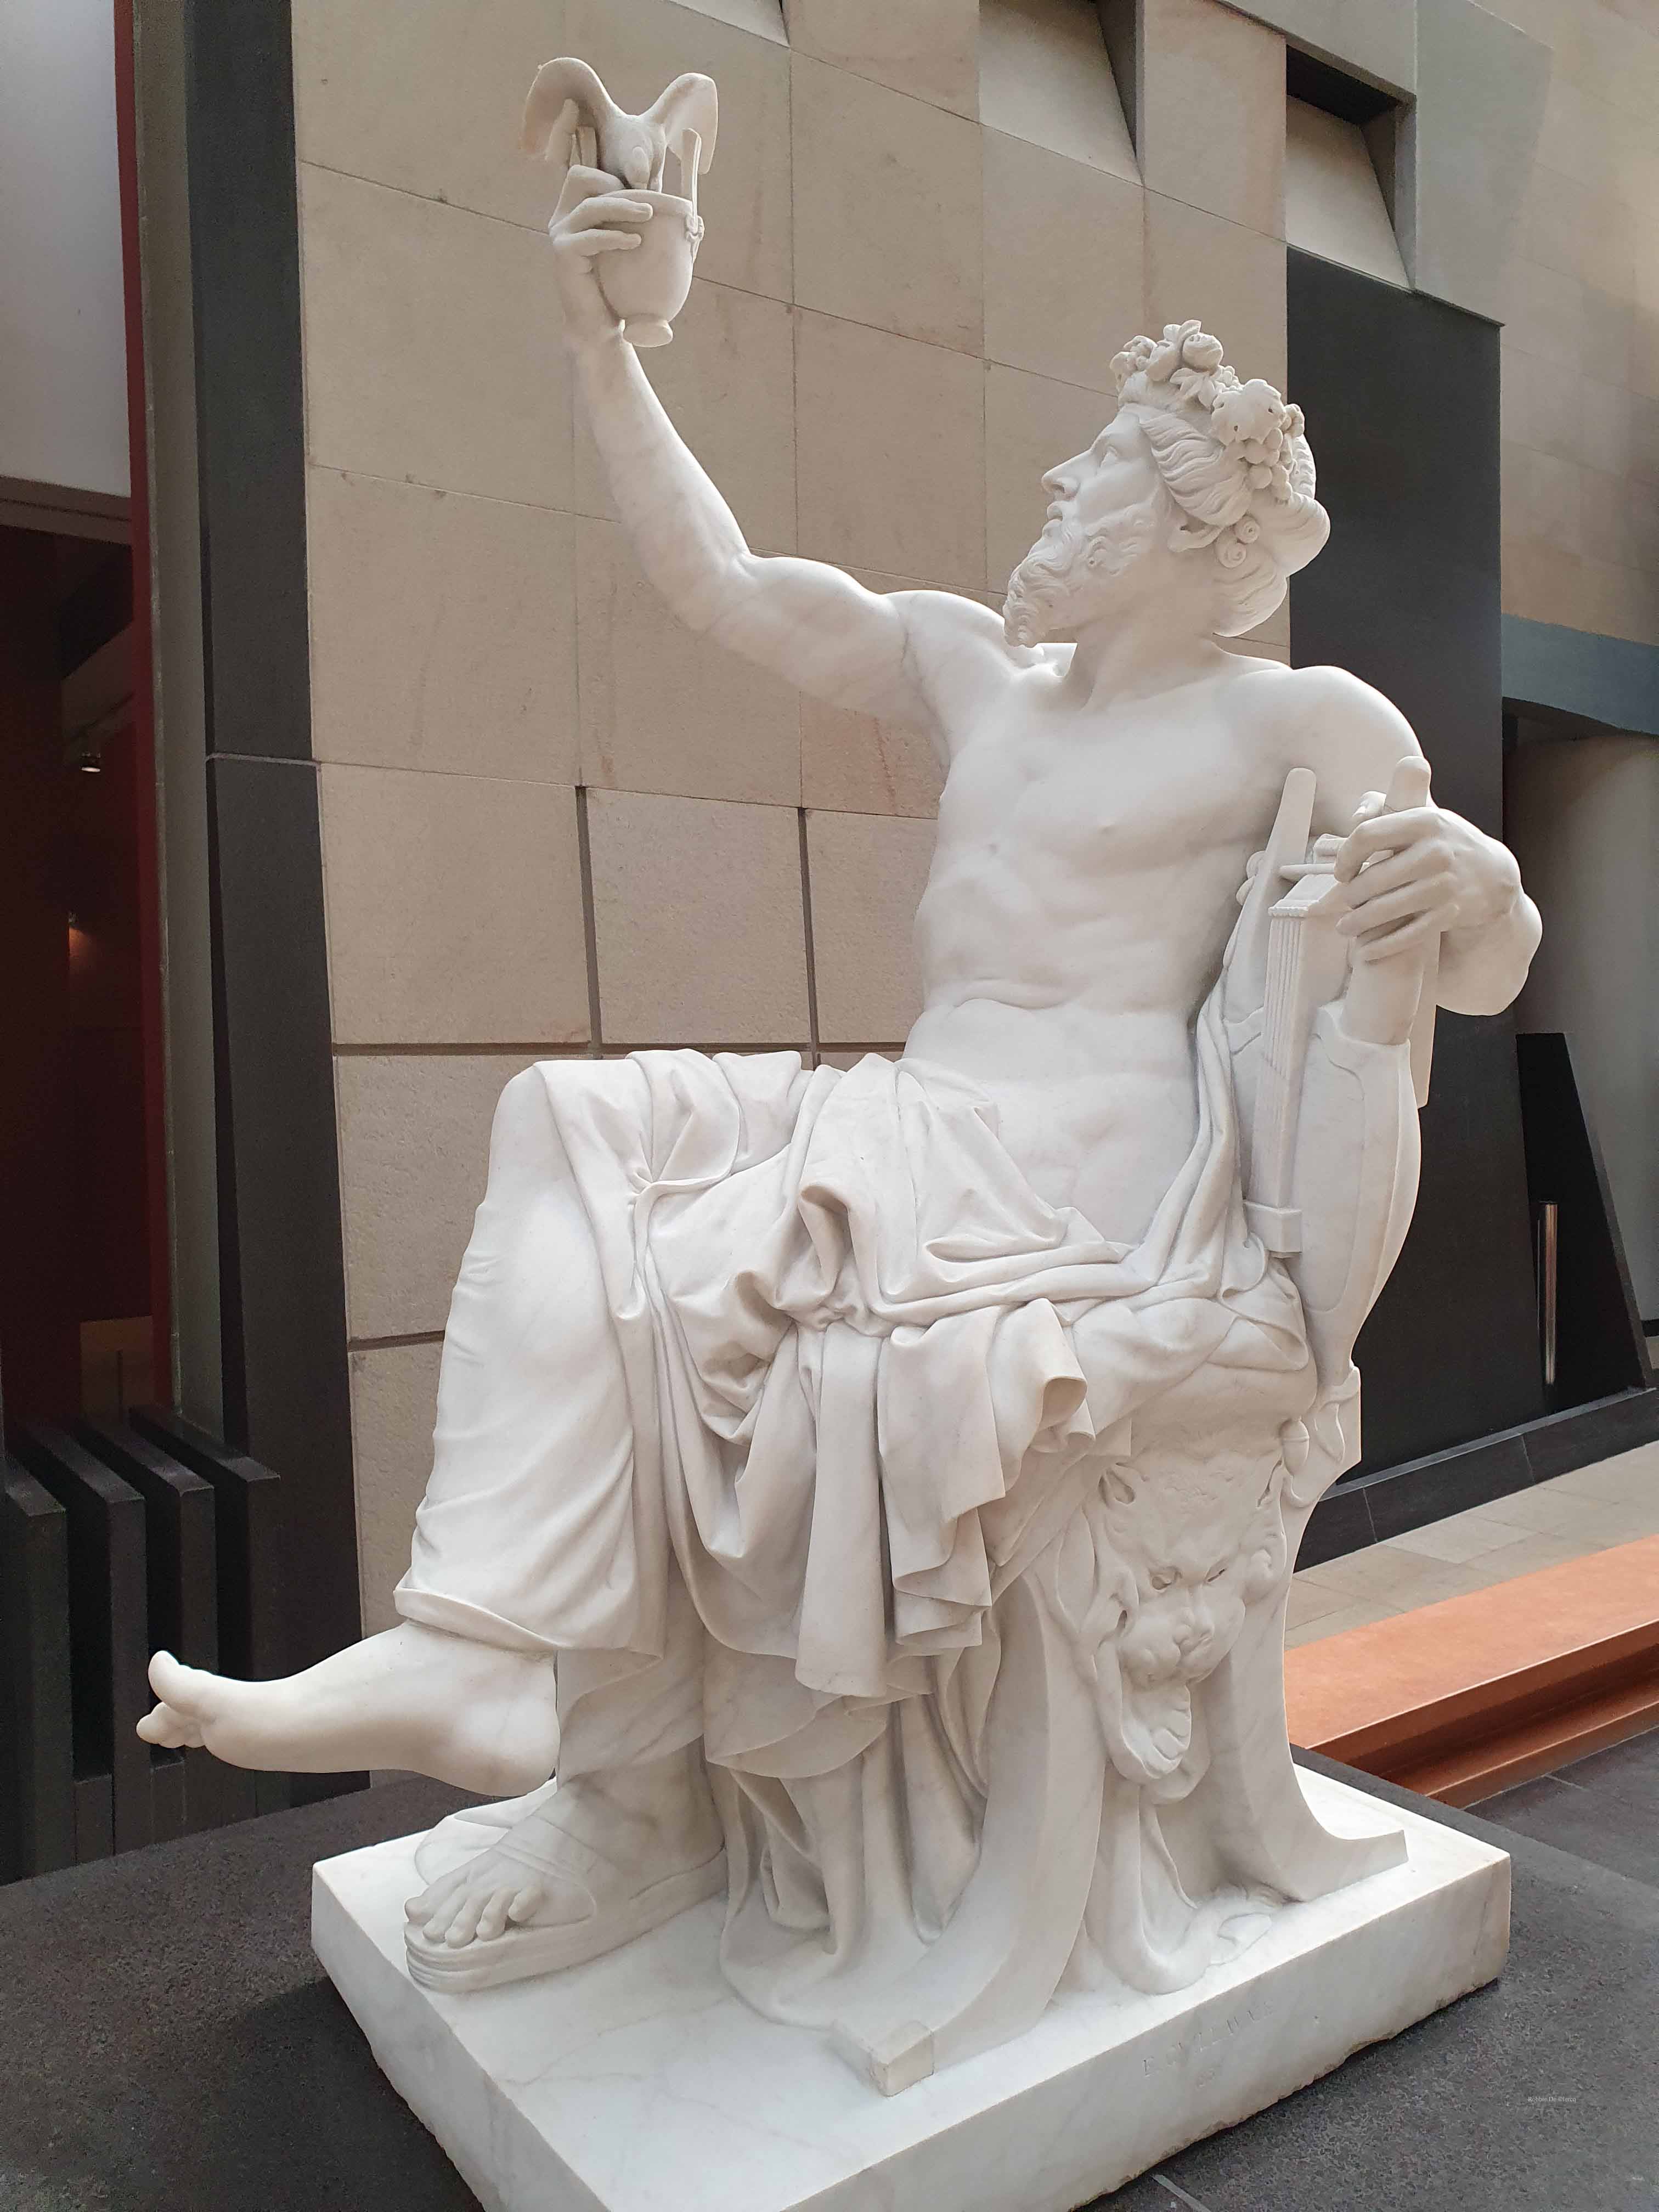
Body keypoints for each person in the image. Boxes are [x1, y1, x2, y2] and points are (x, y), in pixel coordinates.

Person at [142, 167, 1538, 2083]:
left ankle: (618, 1775)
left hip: (1083, 1171)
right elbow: (725, 582)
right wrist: (608, 339)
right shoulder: (975, 670)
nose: (1053, 492)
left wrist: (1479, 886)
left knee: (722, 1291)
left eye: (1093, 474)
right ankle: (485, 1644)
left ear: (1187, 524)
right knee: (570, 1120)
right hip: (917, 1115)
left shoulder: (1296, 719)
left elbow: (1472, 947)